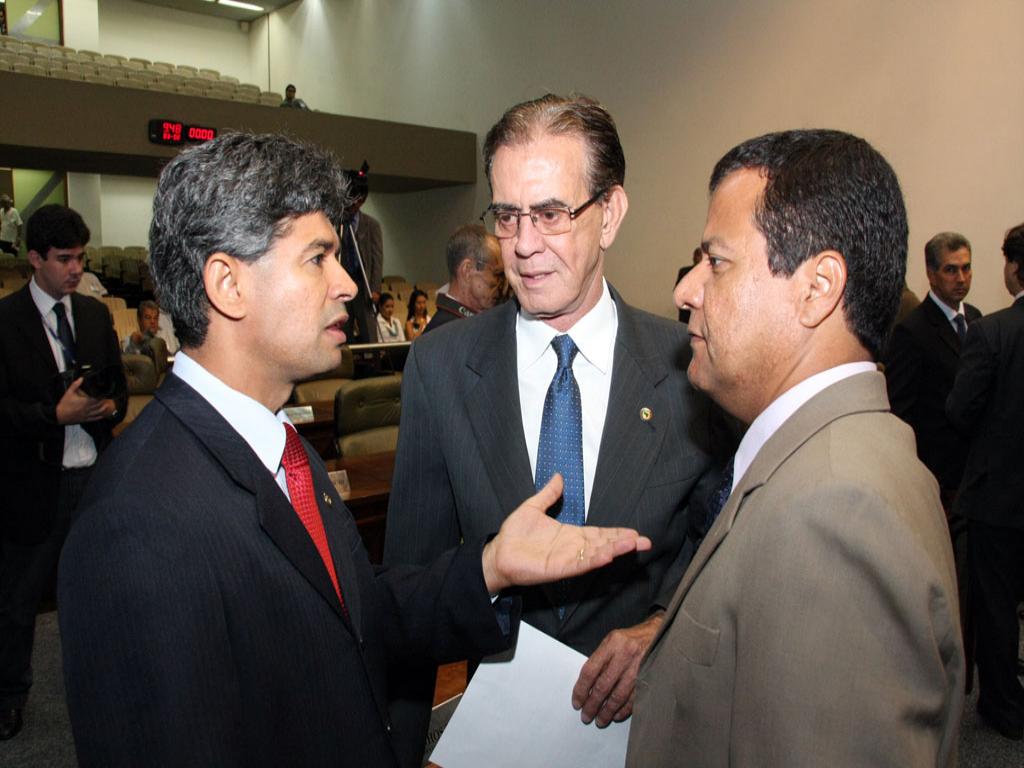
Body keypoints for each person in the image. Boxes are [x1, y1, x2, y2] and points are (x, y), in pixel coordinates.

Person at [56, 133, 650, 768]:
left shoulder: (280, 449)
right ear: (227, 284)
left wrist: (491, 568)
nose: (348, 285)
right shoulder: (138, 521)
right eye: (318, 258)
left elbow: (357, 619)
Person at [383, 94, 718, 766]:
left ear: (611, 214)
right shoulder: (441, 367)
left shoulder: (692, 369)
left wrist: (661, 629)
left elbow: (726, 558)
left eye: (552, 214)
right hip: (501, 738)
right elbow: (406, 592)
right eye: (507, 216)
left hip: (652, 735)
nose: (524, 245)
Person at [626, 129, 964, 767]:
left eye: (716, 261)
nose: (685, 290)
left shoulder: (831, 514)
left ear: (817, 286)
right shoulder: (840, 457)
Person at [0, 204, 126, 741]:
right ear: (34, 259)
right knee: (17, 602)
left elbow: (119, 386)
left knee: (103, 593)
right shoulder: (5, 323)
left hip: (94, 477)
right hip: (33, 481)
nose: (76, 269)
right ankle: (9, 695)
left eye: (80, 257)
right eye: (64, 259)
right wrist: (54, 417)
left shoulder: (95, 317)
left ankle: (106, 687)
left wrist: (109, 408)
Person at [947, 222, 1024, 741]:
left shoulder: (992, 332)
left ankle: (1003, 708)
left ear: (1013, 268)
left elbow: (958, 411)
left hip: (1002, 497)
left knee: (996, 608)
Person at [884, 232, 981, 505]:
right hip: (935, 475)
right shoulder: (912, 331)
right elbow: (900, 410)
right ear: (931, 273)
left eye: (966, 268)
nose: (961, 278)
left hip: (971, 472)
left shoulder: (975, 318)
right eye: (950, 270)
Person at [424, 224, 502, 334]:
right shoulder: (445, 331)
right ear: (467, 271)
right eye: (496, 274)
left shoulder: (461, 324)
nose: (501, 284)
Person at [340, 164, 383, 343]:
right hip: (343, 281)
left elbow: (377, 258)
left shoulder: (371, 225)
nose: (355, 205)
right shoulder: (337, 221)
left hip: (362, 282)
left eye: (359, 201)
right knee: (344, 326)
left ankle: (375, 365)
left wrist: (375, 288)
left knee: (368, 327)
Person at [676, 246, 703, 323]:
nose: (696, 258)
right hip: (685, 307)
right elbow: (678, 289)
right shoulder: (684, 271)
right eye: (695, 255)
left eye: (699, 255)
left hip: (699, 308)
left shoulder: (707, 274)